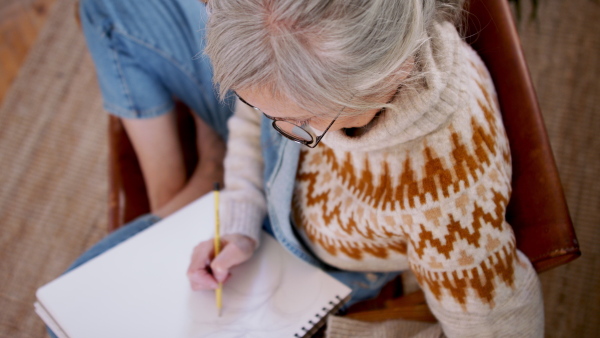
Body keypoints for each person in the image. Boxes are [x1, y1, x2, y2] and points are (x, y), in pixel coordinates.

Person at [67, 0, 542, 337]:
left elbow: (501, 329)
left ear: (383, 79)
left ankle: (179, 204)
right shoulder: (294, 47)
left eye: (296, 125)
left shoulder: (447, 197)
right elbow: (261, 116)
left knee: (71, 319)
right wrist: (237, 215)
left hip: (309, 260)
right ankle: (187, 188)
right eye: (258, 106)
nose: (274, 126)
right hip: (269, 192)